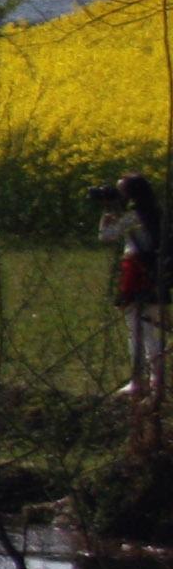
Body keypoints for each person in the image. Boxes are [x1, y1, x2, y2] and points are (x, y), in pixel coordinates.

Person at [109, 172, 167, 404]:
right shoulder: (158, 215)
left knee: (136, 330)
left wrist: (107, 215)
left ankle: (138, 381)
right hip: (155, 275)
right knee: (152, 328)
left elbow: (107, 236)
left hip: (135, 273)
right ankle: (157, 380)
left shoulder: (132, 218)